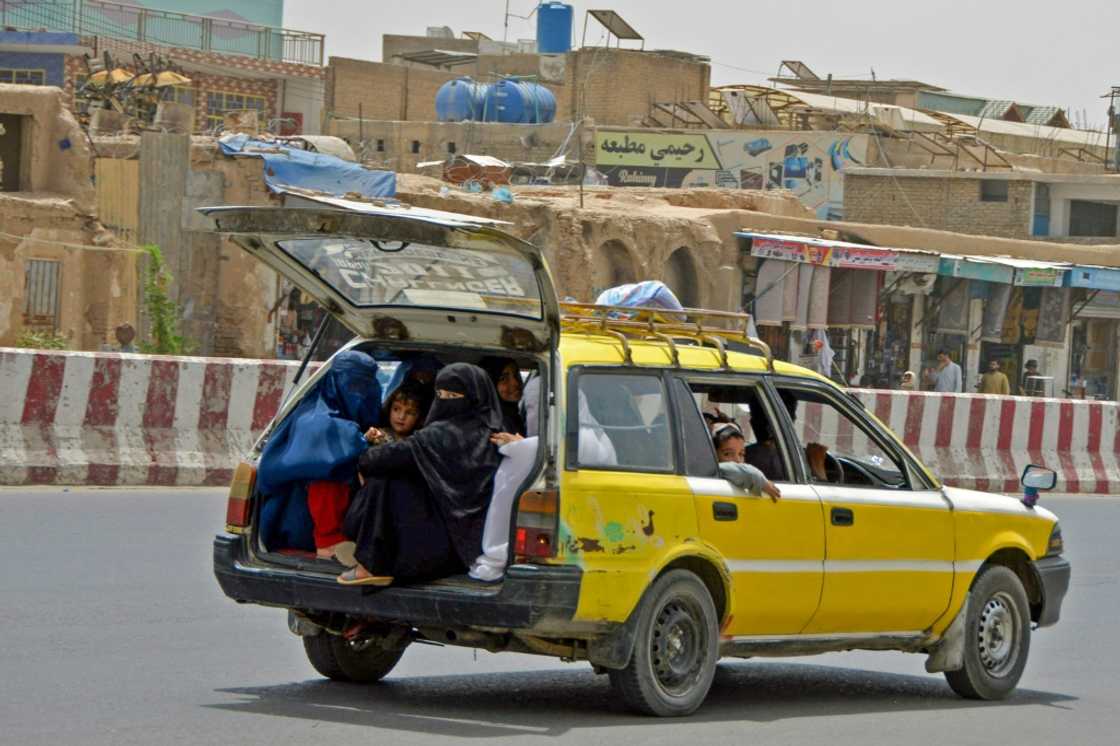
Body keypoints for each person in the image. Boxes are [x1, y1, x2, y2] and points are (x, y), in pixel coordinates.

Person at [339, 363, 504, 586]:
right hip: (473, 548)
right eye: (440, 394)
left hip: (437, 550)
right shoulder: (497, 431)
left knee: (384, 480)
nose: (445, 401)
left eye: (453, 395)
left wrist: (367, 456)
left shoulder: (440, 434)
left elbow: (375, 460)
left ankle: (370, 564)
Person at [256, 350, 382, 555]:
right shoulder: (315, 414)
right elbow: (325, 446)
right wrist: (361, 440)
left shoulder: (361, 410)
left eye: (364, 385)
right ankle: (328, 543)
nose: (359, 393)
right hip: (296, 521)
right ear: (335, 380)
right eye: (353, 384)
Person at [712, 422, 780, 501]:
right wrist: (759, 479)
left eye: (741, 454)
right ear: (713, 454)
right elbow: (722, 468)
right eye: (727, 454)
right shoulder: (711, 470)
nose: (737, 461)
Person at [365, 383, 429, 446]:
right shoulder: (378, 434)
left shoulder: (418, 443)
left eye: (410, 413)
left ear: (420, 418)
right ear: (389, 409)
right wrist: (367, 438)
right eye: (396, 409)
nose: (401, 417)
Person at [480, 356, 525, 436]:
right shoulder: (490, 424)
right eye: (503, 379)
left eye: (516, 375)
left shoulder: (513, 416)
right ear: (490, 385)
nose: (516, 383)